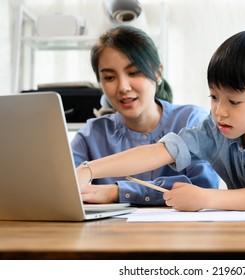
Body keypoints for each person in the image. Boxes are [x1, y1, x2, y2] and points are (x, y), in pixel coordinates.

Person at [76, 28, 245, 211]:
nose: (219, 111)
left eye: (233, 101)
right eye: (213, 97)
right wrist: (89, 170)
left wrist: (204, 198)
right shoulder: (216, 127)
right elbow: (159, 151)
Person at [71, 25, 220, 206]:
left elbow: (202, 188)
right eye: (110, 77)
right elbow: (65, 189)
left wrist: (117, 192)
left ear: (158, 73)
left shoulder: (191, 121)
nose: (123, 87)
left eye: (134, 73)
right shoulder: (90, 135)